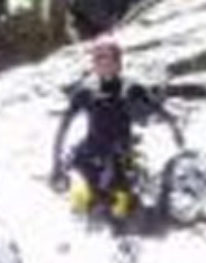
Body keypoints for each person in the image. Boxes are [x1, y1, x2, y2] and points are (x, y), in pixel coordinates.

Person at [49, 37, 184, 221]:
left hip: (120, 154)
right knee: (81, 202)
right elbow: (63, 127)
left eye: (106, 57)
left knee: (121, 208)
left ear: (118, 62)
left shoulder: (132, 88)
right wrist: (56, 164)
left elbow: (161, 112)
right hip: (90, 152)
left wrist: (177, 135)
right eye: (97, 58)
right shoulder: (85, 91)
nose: (101, 62)